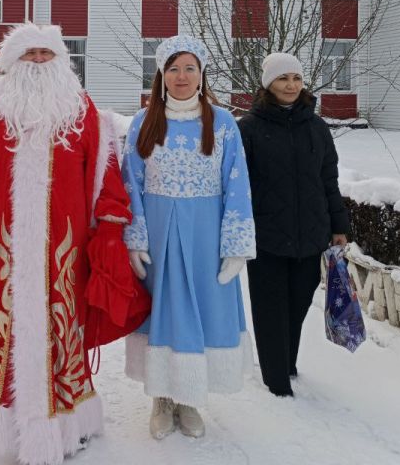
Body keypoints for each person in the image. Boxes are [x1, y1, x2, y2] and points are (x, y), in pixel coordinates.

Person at [0, 23, 134, 465]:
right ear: (12, 61)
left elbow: (107, 173)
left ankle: (69, 420)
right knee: (2, 321)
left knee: (63, 324)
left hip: (65, 245)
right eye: (31, 55)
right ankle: (0, 415)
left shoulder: (82, 108)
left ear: (62, 59)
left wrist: (108, 226)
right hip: (2, 243)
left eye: (47, 54)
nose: (40, 62)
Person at [121, 34, 256, 439]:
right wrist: (135, 237)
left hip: (205, 236)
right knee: (165, 309)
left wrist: (235, 244)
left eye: (190, 68)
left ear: (202, 74)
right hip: (160, 236)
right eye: (174, 69)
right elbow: (131, 183)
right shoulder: (144, 122)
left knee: (200, 309)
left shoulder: (223, 122)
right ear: (162, 75)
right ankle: (162, 397)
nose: (182, 77)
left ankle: (189, 397)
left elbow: (238, 183)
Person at [237, 53, 349, 397]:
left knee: (298, 302)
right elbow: (238, 184)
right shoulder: (249, 128)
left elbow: (329, 179)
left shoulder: (317, 127)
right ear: (268, 83)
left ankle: (286, 360)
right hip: (267, 235)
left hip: (311, 233)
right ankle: (276, 378)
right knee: (270, 307)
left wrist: (338, 225)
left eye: (296, 79)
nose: (290, 85)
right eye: (283, 79)